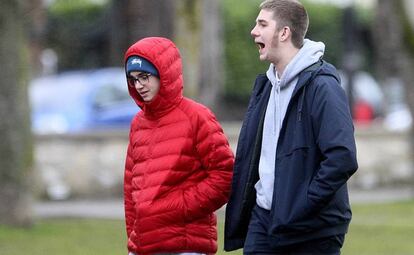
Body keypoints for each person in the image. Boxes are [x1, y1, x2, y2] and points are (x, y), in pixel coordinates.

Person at [224, 0, 358, 254]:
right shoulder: (266, 85)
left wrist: (302, 204)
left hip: (311, 229)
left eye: (262, 24)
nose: (254, 31)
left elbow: (342, 157)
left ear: (284, 33)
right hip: (263, 222)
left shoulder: (323, 87)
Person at [123, 37, 234, 255]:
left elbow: (224, 175)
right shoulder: (138, 123)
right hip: (144, 247)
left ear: (164, 73)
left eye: (144, 76)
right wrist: (133, 241)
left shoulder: (197, 116)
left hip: (186, 245)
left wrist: (180, 207)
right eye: (133, 79)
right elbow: (131, 189)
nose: (138, 85)